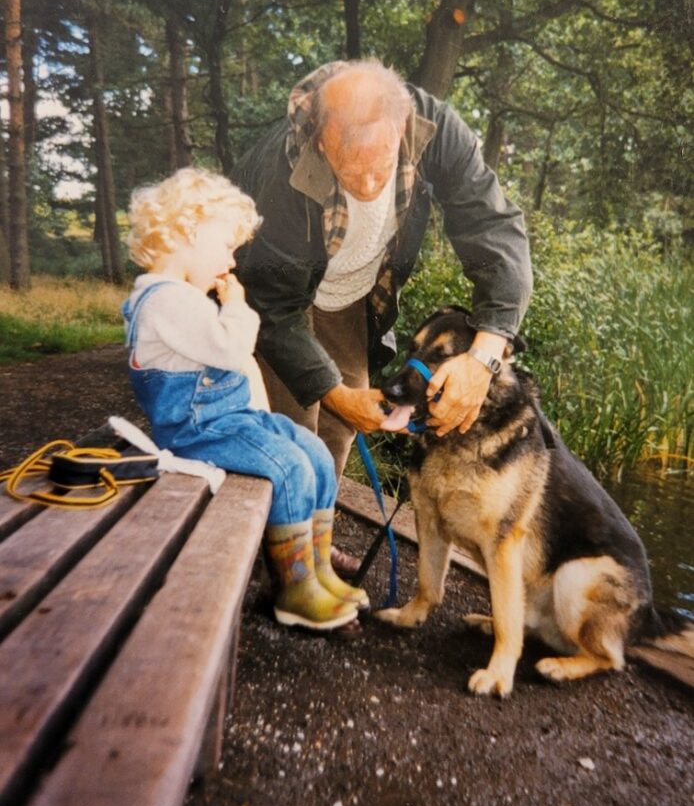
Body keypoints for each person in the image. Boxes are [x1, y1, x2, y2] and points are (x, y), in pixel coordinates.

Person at [232, 60, 533, 567]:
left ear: (402, 129)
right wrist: (329, 391)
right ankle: (288, 572)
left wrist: (484, 356)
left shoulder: (433, 130)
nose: (369, 184)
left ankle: (316, 554)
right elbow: (273, 303)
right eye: (351, 168)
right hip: (275, 295)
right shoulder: (280, 171)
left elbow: (494, 229)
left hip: (349, 296)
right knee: (293, 429)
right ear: (322, 140)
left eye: (381, 166)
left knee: (341, 429)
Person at [121, 167, 368, 632]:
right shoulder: (166, 300)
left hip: (228, 418)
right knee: (288, 466)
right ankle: (294, 589)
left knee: (313, 451)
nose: (231, 261)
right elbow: (235, 349)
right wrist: (237, 306)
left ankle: (318, 570)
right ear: (189, 233)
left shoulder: (176, 297)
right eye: (226, 246)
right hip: (198, 431)